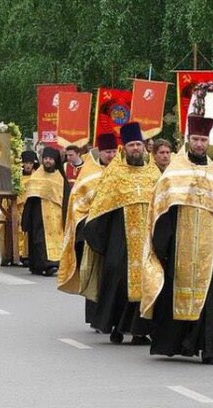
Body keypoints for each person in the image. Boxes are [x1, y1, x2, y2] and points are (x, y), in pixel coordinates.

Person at [141, 115, 213, 366]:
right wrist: (164, 246)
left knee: (211, 301)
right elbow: (162, 209)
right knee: (175, 294)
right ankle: (176, 345)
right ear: (188, 140)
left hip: (212, 248)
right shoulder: (175, 172)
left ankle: (210, 352)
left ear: (208, 141)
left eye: (203, 140)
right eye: (195, 139)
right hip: (179, 247)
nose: (199, 144)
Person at [83, 122, 161, 344]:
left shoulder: (153, 172)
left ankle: (139, 331)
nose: (136, 148)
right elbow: (100, 206)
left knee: (147, 281)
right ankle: (116, 326)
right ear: (124, 148)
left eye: (138, 144)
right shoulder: (113, 174)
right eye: (131, 145)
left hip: (147, 240)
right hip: (120, 239)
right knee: (118, 281)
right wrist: (103, 239)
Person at [58, 133, 118, 325]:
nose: (111, 155)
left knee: (111, 274)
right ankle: (94, 316)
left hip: (114, 231)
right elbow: (77, 203)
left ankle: (108, 315)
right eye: (108, 152)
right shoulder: (89, 173)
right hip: (91, 231)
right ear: (100, 152)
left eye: (114, 151)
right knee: (92, 272)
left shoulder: (120, 173)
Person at [21, 147, 70, 276]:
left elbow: (66, 196)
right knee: (39, 240)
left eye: (50, 159)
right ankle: (42, 264)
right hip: (39, 213)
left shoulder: (60, 177)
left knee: (57, 238)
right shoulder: (37, 175)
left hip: (57, 214)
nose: (48, 161)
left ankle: (54, 263)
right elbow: (30, 196)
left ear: (55, 161)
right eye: (46, 159)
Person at [17, 150, 40, 267]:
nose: (28, 166)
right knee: (19, 231)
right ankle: (19, 254)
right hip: (18, 208)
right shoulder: (16, 178)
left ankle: (27, 255)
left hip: (31, 208)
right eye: (25, 163)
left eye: (30, 163)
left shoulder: (37, 177)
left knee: (28, 232)